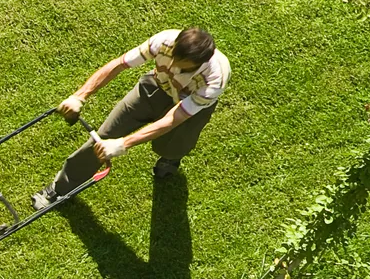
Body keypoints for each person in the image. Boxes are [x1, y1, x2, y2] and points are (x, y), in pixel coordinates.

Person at [32, 27, 229, 211]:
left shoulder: (214, 79)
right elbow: (119, 64)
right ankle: (61, 188)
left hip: (188, 108)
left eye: (180, 63)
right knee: (102, 137)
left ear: (198, 63)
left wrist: (124, 144)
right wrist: (80, 95)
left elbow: (173, 118)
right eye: (173, 56)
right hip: (156, 87)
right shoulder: (164, 41)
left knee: (169, 146)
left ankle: (170, 158)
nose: (172, 63)